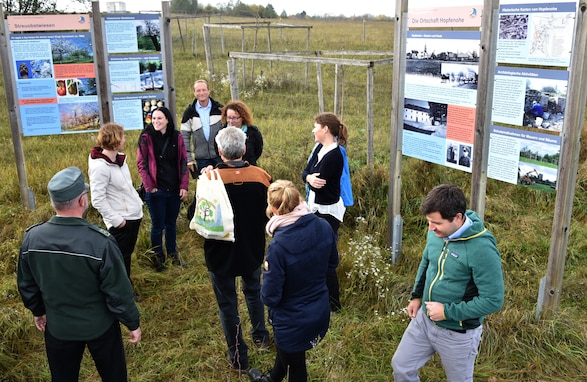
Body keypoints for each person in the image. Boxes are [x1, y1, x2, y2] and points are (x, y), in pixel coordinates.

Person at [17, 166, 141, 381]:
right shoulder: (101, 242)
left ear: (54, 202)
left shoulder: (32, 239)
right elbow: (118, 291)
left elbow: (27, 284)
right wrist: (132, 322)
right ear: (83, 201)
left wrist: (38, 311)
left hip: (58, 327)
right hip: (100, 327)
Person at [391, 184, 504, 382]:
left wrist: (447, 312)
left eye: (437, 223)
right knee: (401, 367)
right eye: (429, 221)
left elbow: (493, 300)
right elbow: (427, 262)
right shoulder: (436, 233)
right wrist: (416, 296)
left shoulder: (482, 249)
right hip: (424, 321)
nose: (430, 228)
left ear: (458, 218)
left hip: (458, 334)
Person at [247, 180, 339, 382]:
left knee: (296, 367)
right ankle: (272, 379)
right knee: (289, 354)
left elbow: (270, 296)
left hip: (292, 320)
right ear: (300, 200)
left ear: (272, 209)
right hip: (319, 311)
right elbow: (332, 264)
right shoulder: (324, 226)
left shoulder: (278, 246)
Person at [201, 126, 272, 372]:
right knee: (254, 292)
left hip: (220, 253)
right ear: (244, 149)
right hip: (252, 248)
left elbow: (197, 216)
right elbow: (270, 212)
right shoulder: (261, 176)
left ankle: (239, 356)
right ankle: (261, 336)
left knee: (227, 304)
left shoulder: (210, 179)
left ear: (219, 152)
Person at [302, 112, 348, 312]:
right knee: (315, 256)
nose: (313, 130)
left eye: (316, 126)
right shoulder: (320, 148)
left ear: (325, 129)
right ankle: (319, 297)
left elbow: (318, 186)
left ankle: (334, 305)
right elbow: (306, 173)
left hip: (327, 213)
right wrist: (309, 178)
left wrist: (310, 179)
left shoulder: (335, 155)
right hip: (316, 208)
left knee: (326, 258)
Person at [88, 122, 144, 278]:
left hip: (133, 215)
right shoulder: (100, 166)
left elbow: (126, 188)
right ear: (116, 139)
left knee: (125, 257)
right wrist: (117, 221)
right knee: (118, 260)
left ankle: (125, 290)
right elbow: (98, 199)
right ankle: (120, 294)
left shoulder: (118, 160)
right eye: (123, 136)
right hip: (122, 220)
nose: (125, 139)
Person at [137, 106, 189, 271]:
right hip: (156, 190)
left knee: (171, 224)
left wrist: (184, 186)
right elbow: (142, 164)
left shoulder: (177, 136)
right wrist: (149, 186)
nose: (156, 122)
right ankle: (158, 257)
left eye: (160, 118)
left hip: (173, 188)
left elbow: (183, 162)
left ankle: (173, 254)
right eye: (153, 119)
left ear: (167, 119)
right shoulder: (146, 137)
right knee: (158, 225)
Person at [180, 79, 224, 174]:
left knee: (222, 185)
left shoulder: (220, 109)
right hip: (201, 158)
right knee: (206, 186)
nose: (201, 93)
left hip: (220, 156)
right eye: (198, 90)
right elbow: (184, 137)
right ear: (194, 93)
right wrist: (188, 159)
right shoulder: (189, 112)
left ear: (209, 91)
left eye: (204, 90)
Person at [221, 100, 263, 166]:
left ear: (242, 117)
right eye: (228, 118)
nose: (231, 121)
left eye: (235, 118)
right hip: (228, 169)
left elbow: (258, 150)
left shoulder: (253, 132)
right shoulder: (221, 133)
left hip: (249, 167)